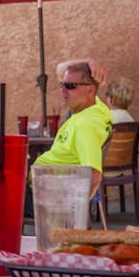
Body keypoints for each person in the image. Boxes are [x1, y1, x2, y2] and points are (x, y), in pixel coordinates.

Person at [32, 59, 113, 196]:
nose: (62, 90)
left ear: (90, 90)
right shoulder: (95, 106)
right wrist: (88, 61)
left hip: (48, 195)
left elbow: (94, 176)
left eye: (70, 86)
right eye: (62, 84)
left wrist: (71, 212)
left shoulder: (85, 125)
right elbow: (60, 68)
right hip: (45, 184)